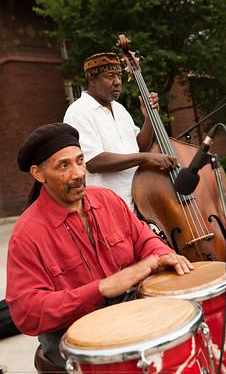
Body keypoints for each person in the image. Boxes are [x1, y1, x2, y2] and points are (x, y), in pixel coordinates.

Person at [6, 123, 193, 370]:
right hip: (72, 333)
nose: (79, 173)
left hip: (129, 312)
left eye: (80, 160)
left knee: (184, 334)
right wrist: (100, 289)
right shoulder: (26, 234)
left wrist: (162, 255)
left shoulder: (107, 200)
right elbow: (27, 313)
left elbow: (145, 239)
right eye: (64, 165)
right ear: (38, 174)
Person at [63, 52, 177, 211]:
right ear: (91, 79)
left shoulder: (120, 109)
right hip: (108, 207)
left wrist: (150, 118)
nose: (117, 82)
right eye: (110, 77)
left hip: (140, 201)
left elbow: (139, 148)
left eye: (119, 76)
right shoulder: (78, 111)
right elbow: (94, 162)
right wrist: (147, 158)